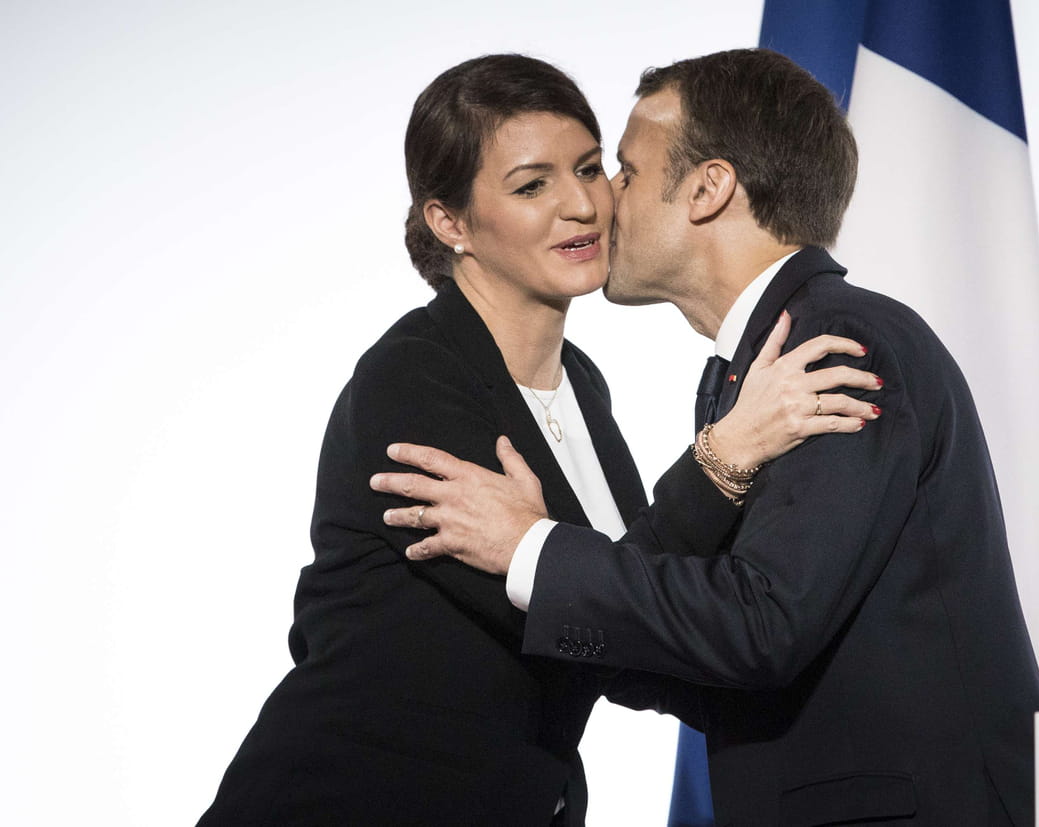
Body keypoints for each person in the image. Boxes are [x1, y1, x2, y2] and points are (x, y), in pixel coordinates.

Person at [198, 54, 879, 826]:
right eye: (531, 186)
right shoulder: (412, 377)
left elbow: (630, 591)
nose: (581, 205)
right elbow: (587, 615)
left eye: (590, 168)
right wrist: (726, 453)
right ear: (450, 222)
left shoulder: (582, 385)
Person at [373, 49, 1039, 826]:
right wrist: (591, 617)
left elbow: (762, 625)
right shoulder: (750, 376)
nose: (601, 202)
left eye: (622, 171)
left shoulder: (836, 344)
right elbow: (698, 648)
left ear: (707, 188)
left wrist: (531, 548)